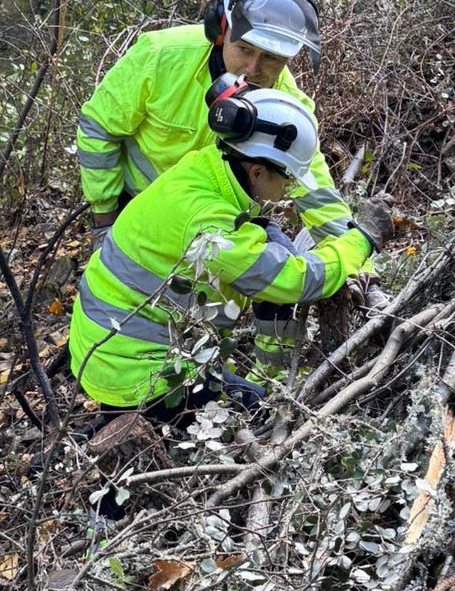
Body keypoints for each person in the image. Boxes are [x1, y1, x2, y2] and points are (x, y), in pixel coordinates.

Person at [68, 80, 393, 416]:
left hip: (109, 346)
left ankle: (271, 370)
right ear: (256, 171)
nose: (289, 191)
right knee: (257, 413)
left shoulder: (207, 167)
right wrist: (363, 238)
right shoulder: (210, 222)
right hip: (134, 374)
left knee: (273, 238)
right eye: (288, 181)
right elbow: (296, 280)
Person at [75, 0, 351, 242]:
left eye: (271, 58)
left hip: (216, 222)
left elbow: (313, 183)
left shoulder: (285, 102)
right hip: (135, 205)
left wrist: (357, 259)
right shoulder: (161, 57)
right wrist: (105, 221)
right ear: (220, 29)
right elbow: (98, 130)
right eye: (244, 49)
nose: (253, 68)